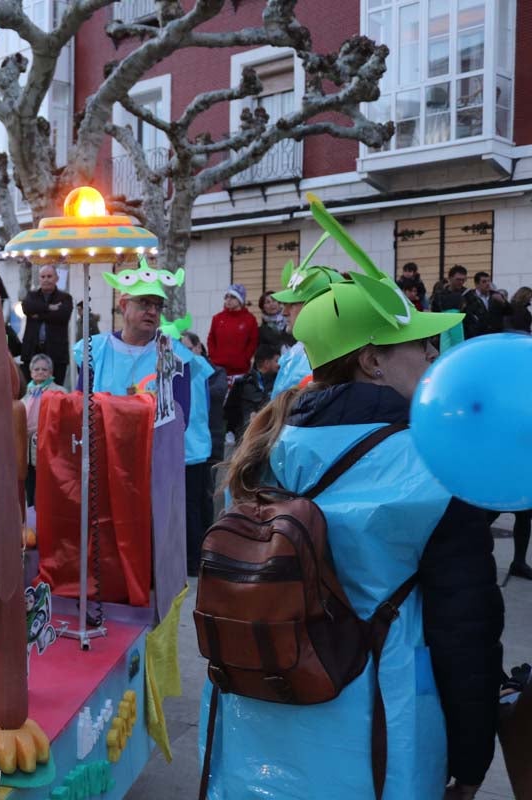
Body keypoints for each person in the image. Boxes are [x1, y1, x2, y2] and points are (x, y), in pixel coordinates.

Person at [206, 267, 503, 799]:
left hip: (259, 729)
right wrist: (473, 758)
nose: (435, 355)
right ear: (372, 361)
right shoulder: (437, 466)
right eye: (420, 344)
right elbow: (465, 634)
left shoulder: (264, 448)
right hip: (381, 740)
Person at [74, 269, 193, 420]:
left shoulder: (175, 354)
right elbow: (79, 408)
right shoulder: (95, 349)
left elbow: (180, 416)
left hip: (155, 442)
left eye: (158, 306)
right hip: (103, 440)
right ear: (123, 305)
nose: (152, 311)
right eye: (145, 303)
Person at [174, 331, 218, 575]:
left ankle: (193, 560)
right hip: (200, 445)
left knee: (191, 508)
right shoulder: (200, 367)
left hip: (187, 448)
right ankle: (203, 556)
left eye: (184, 344)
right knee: (201, 505)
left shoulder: (184, 369)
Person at [269, 260, 346, 398]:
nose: (284, 312)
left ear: (317, 307)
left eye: (292, 304)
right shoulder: (299, 351)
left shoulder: (332, 358)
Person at [21, 353, 66, 506]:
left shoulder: (59, 392)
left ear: (51, 372)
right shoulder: (25, 393)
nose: (40, 372)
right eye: (37, 369)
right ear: (31, 372)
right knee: (29, 486)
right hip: (26, 448)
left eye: (44, 369)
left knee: (45, 486)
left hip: (47, 446)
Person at [20, 265, 73, 385]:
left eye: (49, 276)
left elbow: (62, 316)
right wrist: (49, 308)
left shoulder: (65, 298)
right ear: (39, 278)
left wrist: (38, 314)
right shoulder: (31, 296)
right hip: (32, 349)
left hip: (56, 352)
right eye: (43, 276)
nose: (46, 279)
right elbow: (27, 307)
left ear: (56, 278)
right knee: (30, 390)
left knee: (56, 390)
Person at [223, 342, 281, 443]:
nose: (279, 365)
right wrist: (231, 431)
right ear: (267, 363)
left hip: (270, 438)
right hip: (245, 440)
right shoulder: (242, 383)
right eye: (276, 361)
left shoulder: (281, 382)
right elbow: (231, 411)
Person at [206, 284, 258, 380]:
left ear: (240, 300)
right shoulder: (217, 318)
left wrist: (244, 359)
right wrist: (213, 356)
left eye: (233, 297)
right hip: (219, 368)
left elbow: (253, 342)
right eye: (227, 297)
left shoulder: (250, 319)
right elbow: (211, 339)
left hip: (240, 370)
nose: (228, 300)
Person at [460, 271, 510, 338]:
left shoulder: (496, 295)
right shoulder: (468, 297)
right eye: (484, 282)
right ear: (476, 284)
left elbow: (510, 312)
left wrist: (503, 302)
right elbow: (465, 318)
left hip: (494, 334)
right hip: (476, 335)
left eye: (488, 281)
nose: (487, 284)